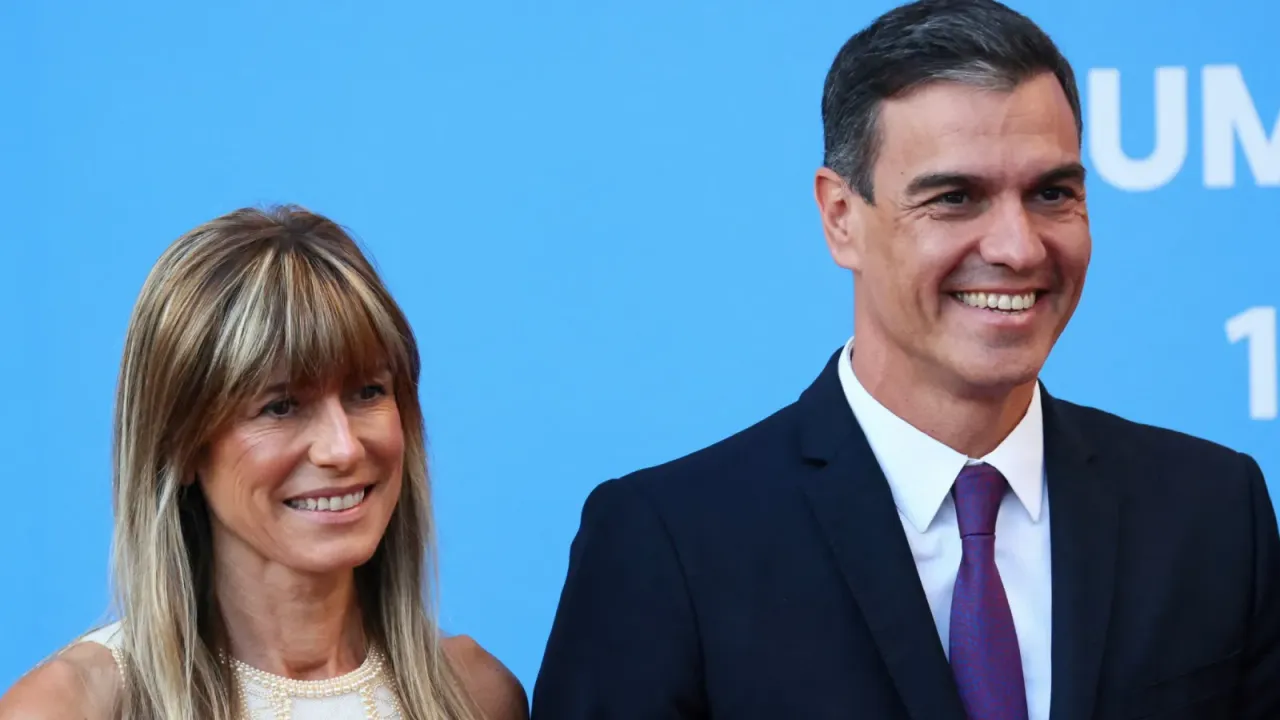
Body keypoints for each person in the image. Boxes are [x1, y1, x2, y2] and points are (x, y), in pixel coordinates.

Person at [531, 0, 1280, 718]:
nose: (1018, 247)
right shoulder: (670, 544)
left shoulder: (1213, 513)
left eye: (1053, 193)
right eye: (954, 198)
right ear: (841, 218)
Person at [0, 206, 527, 720]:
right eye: (281, 406)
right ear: (180, 445)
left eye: (368, 392)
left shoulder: (477, 696)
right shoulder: (72, 707)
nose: (342, 448)